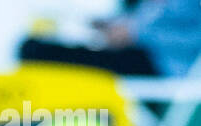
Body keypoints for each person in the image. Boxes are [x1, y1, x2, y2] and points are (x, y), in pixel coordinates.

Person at [20, 0, 201, 79]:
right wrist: (111, 24)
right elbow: (149, 20)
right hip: (141, 56)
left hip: (165, 69)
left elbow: (194, 40)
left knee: (64, 57)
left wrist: (135, 33)